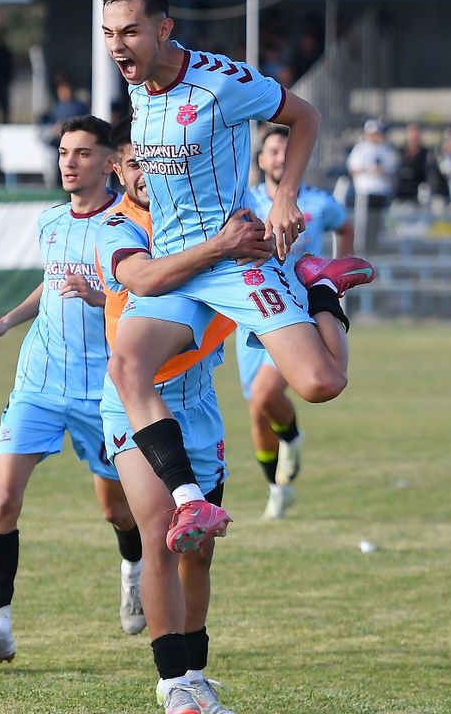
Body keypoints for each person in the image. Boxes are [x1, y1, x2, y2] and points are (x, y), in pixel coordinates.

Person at [100, 0, 375, 567]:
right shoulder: (138, 87)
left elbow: (305, 116)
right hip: (179, 264)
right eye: (109, 33)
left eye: (129, 32)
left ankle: (321, 287)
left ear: (164, 28)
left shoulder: (221, 82)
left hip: (234, 260)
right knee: (127, 368)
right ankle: (190, 502)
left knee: (322, 384)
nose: (117, 47)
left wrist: (285, 196)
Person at [0, 116, 143, 666]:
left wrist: (101, 296)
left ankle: (133, 569)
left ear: (109, 164)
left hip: (101, 390)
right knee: (3, 498)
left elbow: (144, 295)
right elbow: (51, 282)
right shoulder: (51, 220)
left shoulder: (129, 227)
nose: (69, 162)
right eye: (63, 152)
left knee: (116, 510)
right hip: (39, 381)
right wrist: (6, 322)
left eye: (82, 153)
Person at [97, 117, 272, 714]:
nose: (148, 174)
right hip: (135, 398)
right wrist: (222, 247)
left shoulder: (199, 215)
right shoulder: (117, 225)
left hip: (198, 401)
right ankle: (173, 685)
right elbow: (149, 278)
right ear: (119, 170)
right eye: (135, 163)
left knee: (199, 552)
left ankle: (196, 673)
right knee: (161, 538)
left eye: (157, 161)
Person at [241, 126, 353, 520]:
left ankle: (291, 437)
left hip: (296, 313)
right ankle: (278, 489)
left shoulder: (318, 202)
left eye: (287, 151)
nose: (280, 158)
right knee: (258, 409)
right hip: (250, 311)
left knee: (265, 393)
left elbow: (345, 226)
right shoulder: (246, 201)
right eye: (273, 151)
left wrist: (336, 277)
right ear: (261, 160)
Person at [345, 118, 397, 249]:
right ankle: (362, 248)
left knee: (379, 223)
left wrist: (380, 170)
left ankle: (375, 248)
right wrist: (369, 169)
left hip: (381, 191)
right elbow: (353, 169)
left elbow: (392, 169)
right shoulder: (360, 149)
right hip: (365, 191)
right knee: (364, 222)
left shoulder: (385, 149)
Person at [394, 122, 436, 203]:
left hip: (420, 194)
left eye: (416, 135)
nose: (413, 138)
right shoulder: (400, 152)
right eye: (411, 135)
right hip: (401, 193)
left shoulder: (425, 153)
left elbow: (430, 173)